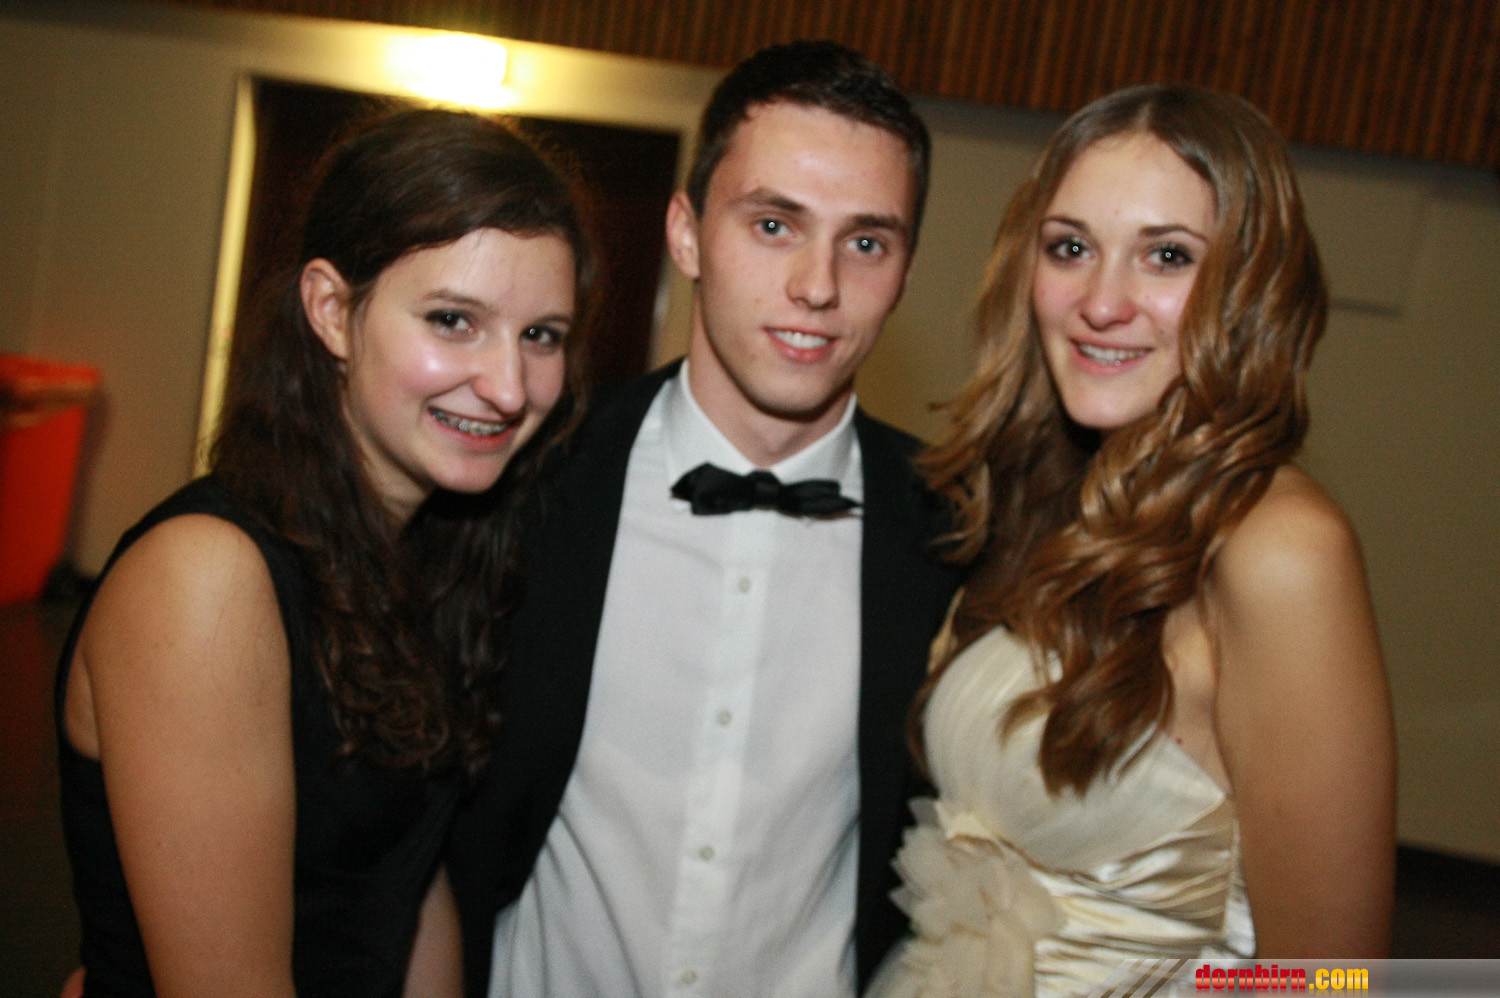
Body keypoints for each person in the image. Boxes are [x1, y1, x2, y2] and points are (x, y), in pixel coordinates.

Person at [446, 41, 960, 997]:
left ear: (905, 271)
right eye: (773, 224)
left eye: (866, 242)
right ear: (686, 235)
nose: (818, 285)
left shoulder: (958, 534)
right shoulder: (523, 479)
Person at [869, 84, 1397, 997]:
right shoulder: (1055, 494)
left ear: (1250, 288)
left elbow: (1333, 980)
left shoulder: (1279, 547)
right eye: (1071, 248)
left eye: (1167, 256)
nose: (1102, 302)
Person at [54, 107, 593, 998]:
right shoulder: (207, 579)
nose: (508, 387)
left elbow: (406, 885)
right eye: (453, 320)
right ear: (333, 311)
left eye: (542, 335)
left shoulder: (431, 557)